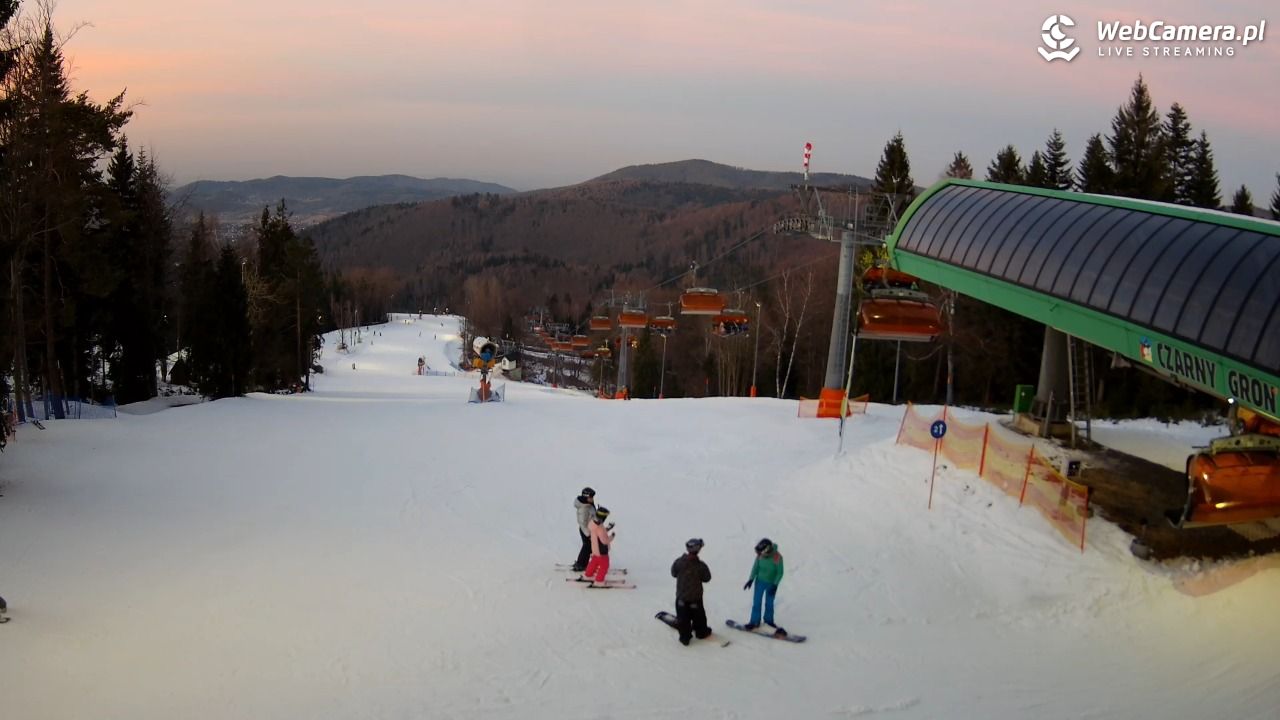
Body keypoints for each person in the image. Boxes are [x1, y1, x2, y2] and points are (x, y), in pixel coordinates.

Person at [671, 538, 712, 646]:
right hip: (695, 599)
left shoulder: (679, 562)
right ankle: (701, 632)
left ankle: (684, 637)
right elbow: (707, 578)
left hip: (681, 598)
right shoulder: (700, 566)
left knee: (683, 617)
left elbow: (673, 573)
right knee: (699, 617)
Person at [742, 538, 785, 634]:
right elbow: (755, 568)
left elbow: (780, 573)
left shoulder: (777, 557)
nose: (759, 555)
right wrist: (751, 579)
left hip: (771, 584)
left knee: (769, 603)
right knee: (756, 602)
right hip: (759, 582)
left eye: (761, 552)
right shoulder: (760, 556)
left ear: (767, 550)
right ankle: (754, 622)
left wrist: (775, 585)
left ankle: (769, 621)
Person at [580, 506, 614, 586]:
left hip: (595, 549)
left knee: (594, 562)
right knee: (604, 565)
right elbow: (604, 541)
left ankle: (588, 575)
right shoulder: (600, 528)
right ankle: (599, 581)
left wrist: (607, 529)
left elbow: (598, 532)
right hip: (602, 550)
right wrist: (612, 536)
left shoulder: (593, 523)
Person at [572, 487, 597, 572]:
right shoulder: (583, 509)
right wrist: (588, 534)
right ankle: (580, 564)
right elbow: (582, 523)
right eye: (591, 497)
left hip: (590, 530)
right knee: (587, 547)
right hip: (586, 531)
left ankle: (583, 563)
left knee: (588, 547)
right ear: (586, 497)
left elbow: (593, 516)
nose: (592, 499)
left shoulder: (589, 505)